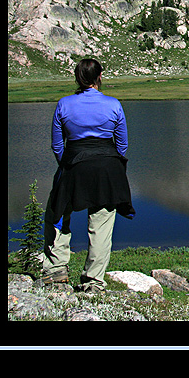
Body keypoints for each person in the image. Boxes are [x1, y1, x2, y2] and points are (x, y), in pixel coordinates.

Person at [40, 58, 135, 291]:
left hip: (74, 164)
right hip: (108, 168)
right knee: (100, 224)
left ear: (77, 77)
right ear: (99, 76)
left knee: (58, 213)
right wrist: (113, 165)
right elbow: (122, 145)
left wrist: (66, 165)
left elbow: (57, 145)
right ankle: (93, 281)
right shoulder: (113, 104)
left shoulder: (64, 104)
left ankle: (56, 271)